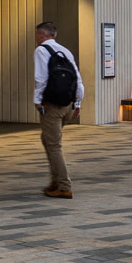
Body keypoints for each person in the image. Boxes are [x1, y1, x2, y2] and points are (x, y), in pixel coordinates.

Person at [32, 21, 83, 198]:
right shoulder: (64, 51)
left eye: (37, 35)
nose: (36, 38)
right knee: (47, 139)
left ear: (41, 35)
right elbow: (77, 78)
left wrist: (37, 100)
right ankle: (55, 181)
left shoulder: (41, 50)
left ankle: (64, 186)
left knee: (54, 146)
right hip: (67, 105)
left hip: (52, 106)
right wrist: (78, 103)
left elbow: (41, 78)